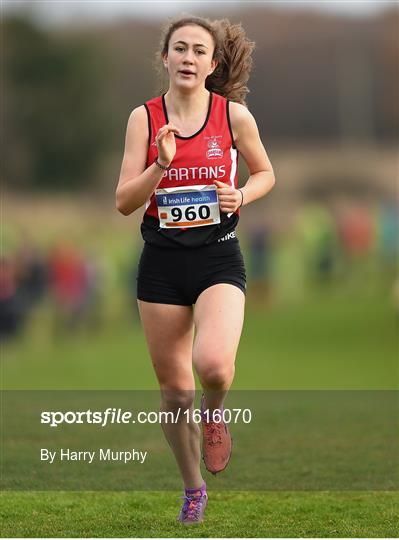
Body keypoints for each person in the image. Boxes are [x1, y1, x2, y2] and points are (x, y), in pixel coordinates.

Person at [116, 16, 275, 524]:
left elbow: (267, 172)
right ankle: (193, 488)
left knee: (213, 368)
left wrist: (241, 194)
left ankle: (216, 410)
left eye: (198, 50)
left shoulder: (235, 117)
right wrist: (160, 165)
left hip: (217, 257)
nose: (188, 57)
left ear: (212, 63)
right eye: (179, 48)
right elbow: (123, 202)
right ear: (165, 57)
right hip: (161, 264)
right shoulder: (143, 118)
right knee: (174, 392)